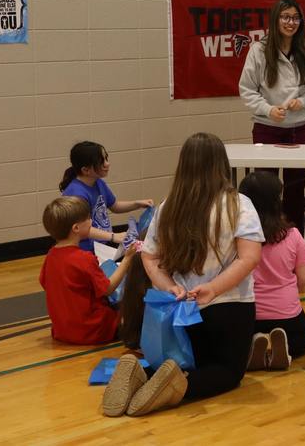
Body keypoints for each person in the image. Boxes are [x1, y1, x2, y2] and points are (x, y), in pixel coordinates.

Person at [102, 133, 264, 417]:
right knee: (228, 372)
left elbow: (149, 256)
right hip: (229, 306)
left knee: (190, 360)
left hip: (182, 308)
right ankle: (177, 389)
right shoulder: (239, 204)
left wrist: (170, 287)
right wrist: (213, 288)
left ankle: (147, 376)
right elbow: (250, 258)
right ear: (221, 165)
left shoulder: (168, 207)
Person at [239, 0, 305, 233]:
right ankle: (263, 240)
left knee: (295, 189)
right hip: (267, 128)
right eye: (286, 17)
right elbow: (247, 90)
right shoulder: (258, 50)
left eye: (296, 18)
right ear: (275, 19)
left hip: (300, 128)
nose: (291, 22)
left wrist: (303, 101)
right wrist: (268, 109)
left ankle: (293, 241)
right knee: (264, 189)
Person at [238, 172, 305, 370]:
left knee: (236, 341)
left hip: (250, 315)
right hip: (287, 315)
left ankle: (255, 344)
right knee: (302, 341)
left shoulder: (238, 238)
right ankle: (282, 347)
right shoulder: (292, 235)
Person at [38, 196, 137, 345]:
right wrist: (128, 259)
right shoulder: (84, 259)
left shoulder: (51, 255)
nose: (91, 221)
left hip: (62, 331)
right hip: (93, 330)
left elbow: (45, 282)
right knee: (134, 308)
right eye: (88, 218)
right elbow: (108, 289)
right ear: (76, 228)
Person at [59, 141, 154, 253]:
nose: (107, 164)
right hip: (85, 250)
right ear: (86, 170)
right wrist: (113, 236)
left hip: (101, 245)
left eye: (106, 159)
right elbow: (82, 229)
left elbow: (114, 205)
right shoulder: (76, 194)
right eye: (101, 162)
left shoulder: (98, 182)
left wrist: (137, 204)